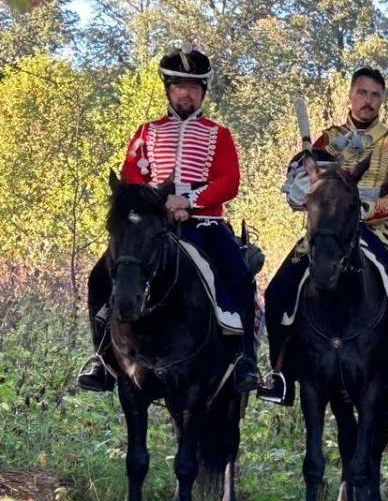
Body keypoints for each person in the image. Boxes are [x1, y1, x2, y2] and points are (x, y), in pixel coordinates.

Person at [77, 44, 258, 394]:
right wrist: (156, 204)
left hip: (203, 224)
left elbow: (228, 182)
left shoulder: (218, 134)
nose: (185, 93)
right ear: (169, 89)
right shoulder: (147, 132)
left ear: (202, 92)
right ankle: (101, 358)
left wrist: (187, 201)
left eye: (192, 87)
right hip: (151, 227)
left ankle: (245, 361)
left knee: (238, 274)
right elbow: (131, 177)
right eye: (178, 86)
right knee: (99, 275)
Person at [260, 67, 388, 406]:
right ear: (350, 96)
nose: (368, 101)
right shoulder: (325, 140)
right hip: (329, 230)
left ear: (382, 100)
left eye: (375, 95)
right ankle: (279, 372)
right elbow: (306, 191)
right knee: (279, 287)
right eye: (363, 93)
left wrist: (363, 210)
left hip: (376, 228)